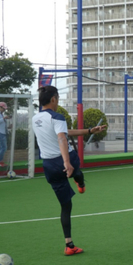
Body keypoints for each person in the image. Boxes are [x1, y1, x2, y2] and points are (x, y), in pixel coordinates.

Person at [31, 86, 107, 255]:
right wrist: (67, 162)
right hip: (64, 159)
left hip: (49, 166)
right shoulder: (56, 116)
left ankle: (69, 245)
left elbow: (63, 132)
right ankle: (80, 181)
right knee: (76, 169)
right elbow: (61, 138)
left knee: (66, 206)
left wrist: (89, 131)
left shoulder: (35, 118)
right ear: (53, 99)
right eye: (57, 98)